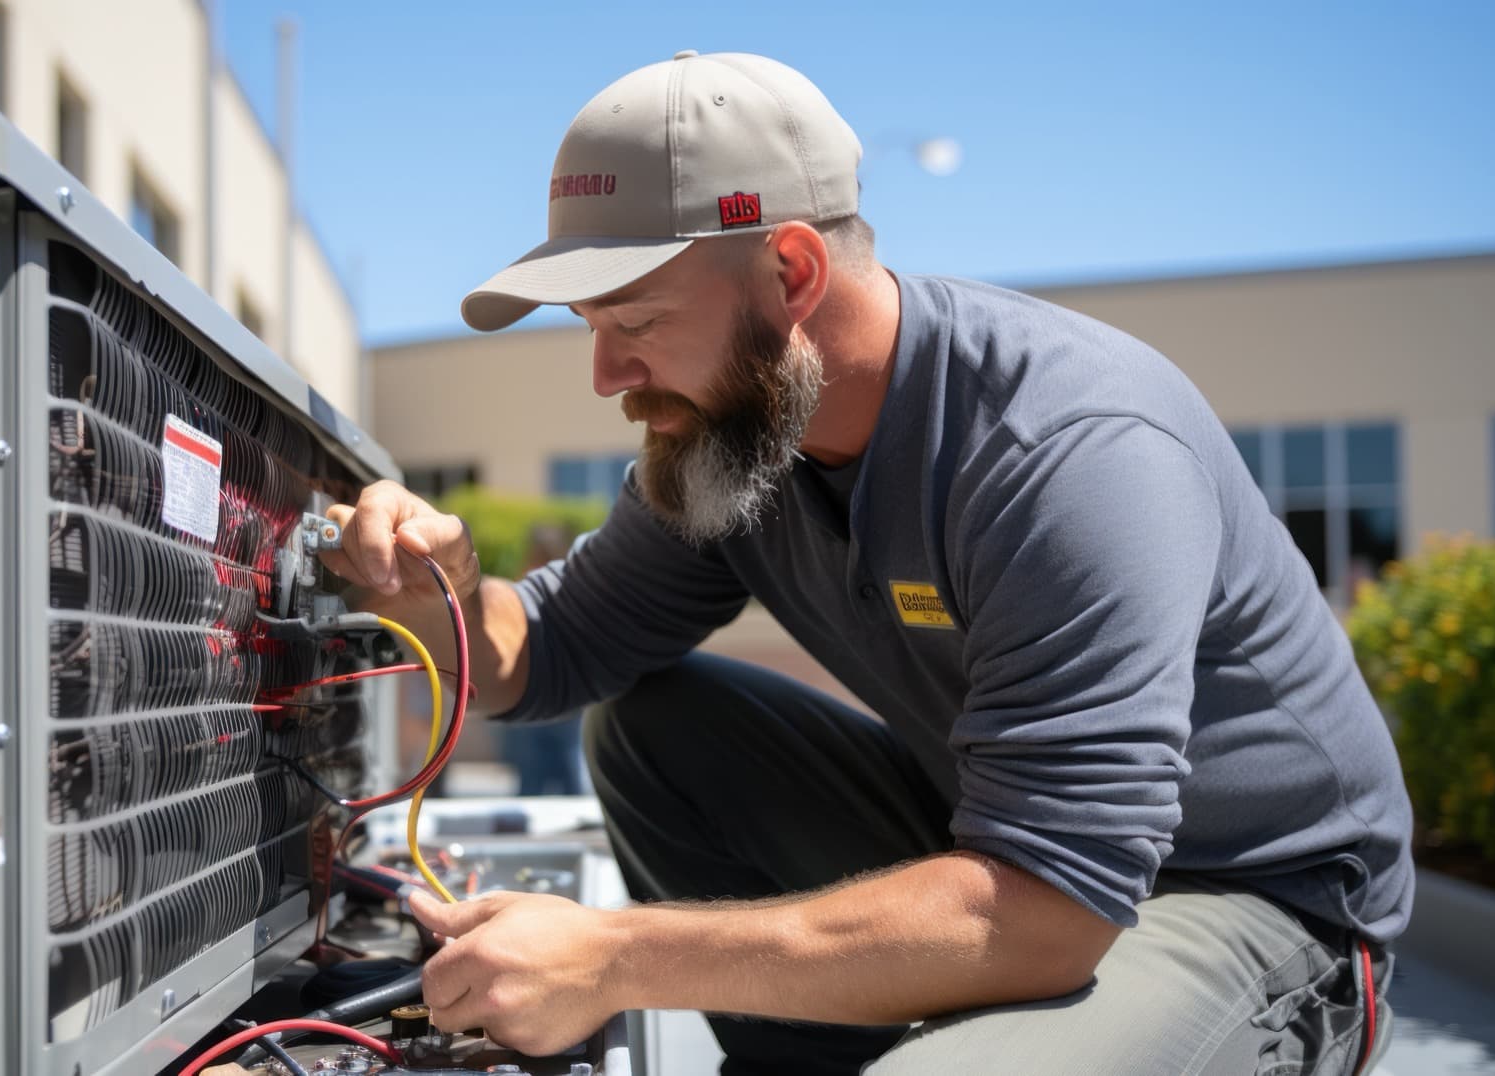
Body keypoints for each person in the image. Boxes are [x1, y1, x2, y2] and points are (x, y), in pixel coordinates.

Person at [320, 50, 1412, 1076]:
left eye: (637, 318)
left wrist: (614, 953)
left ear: (789, 270)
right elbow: (552, 650)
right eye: (589, 325)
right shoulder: (736, 442)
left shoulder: (1068, 452)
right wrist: (444, 592)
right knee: (660, 726)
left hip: (1261, 900)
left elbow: (1050, 910)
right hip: (1011, 854)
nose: (607, 373)